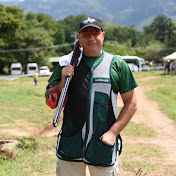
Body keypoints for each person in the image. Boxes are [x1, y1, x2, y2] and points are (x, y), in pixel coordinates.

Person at [45, 16, 138, 176]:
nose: (91, 37)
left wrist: (113, 133)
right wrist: (62, 81)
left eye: (95, 33)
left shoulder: (116, 64)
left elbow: (131, 102)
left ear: (102, 35)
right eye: (86, 33)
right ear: (79, 37)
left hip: (102, 145)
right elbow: (49, 98)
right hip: (70, 144)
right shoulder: (66, 62)